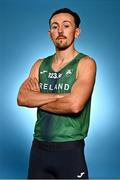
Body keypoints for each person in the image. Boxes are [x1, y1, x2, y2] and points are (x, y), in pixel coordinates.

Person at [17, 8, 96, 179]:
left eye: (66, 26)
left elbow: (74, 105)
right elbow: (22, 98)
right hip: (38, 149)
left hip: (70, 151)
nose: (60, 31)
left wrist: (37, 99)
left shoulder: (85, 63)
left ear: (77, 32)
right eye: (55, 27)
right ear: (49, 34)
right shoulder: (39, 64)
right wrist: (60, 97)